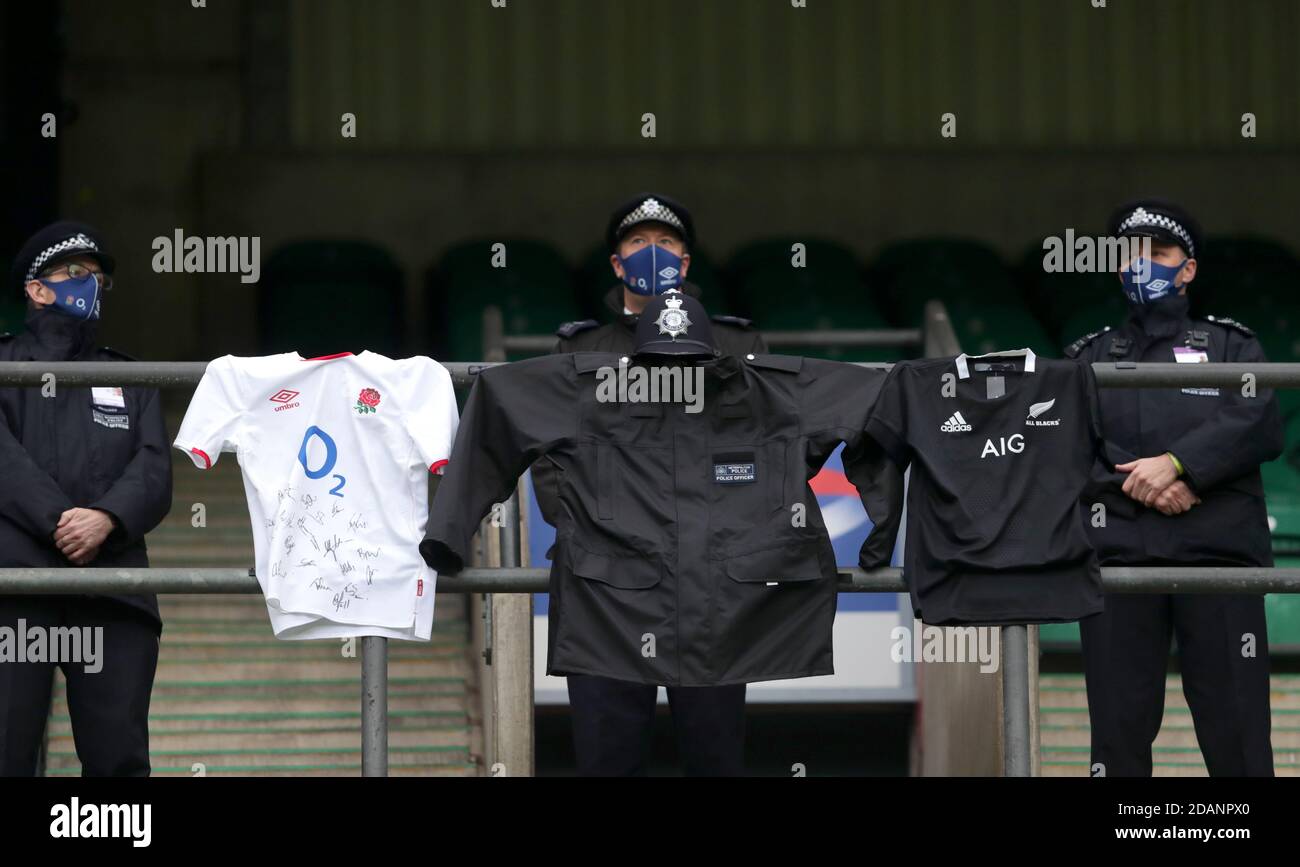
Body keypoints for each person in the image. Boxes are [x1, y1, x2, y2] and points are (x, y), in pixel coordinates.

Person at [540, 194, 764, 776]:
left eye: (666, 244)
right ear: (617, 265)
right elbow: (547, 454)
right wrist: (581, 522)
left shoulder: (736, 345)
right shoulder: (579, 349)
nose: (653, 254)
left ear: (686, 264)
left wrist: (736, 528)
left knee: (716, 755)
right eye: (638, 243)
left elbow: (771, 444)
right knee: (606, 757)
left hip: (709, 581)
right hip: (605, 588)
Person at [1065, 199, 1282, 776]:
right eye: (1130, 254)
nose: (1143, 265)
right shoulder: (1088, 355)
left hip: (1219, 565)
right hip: (1120, 568)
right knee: (1117, 733)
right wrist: (1151, 483)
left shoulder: (1232, 346)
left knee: (1237, 732)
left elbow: (1258, 420)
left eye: (1158, 253)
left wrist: (1180, 464)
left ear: (1187, 269)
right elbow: (1065, 445)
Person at [0, 222, 172, 776]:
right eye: (76, 273)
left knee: (118, 757)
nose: (91, 285)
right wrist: (60, 522)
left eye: (98, 277)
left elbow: (153, 467)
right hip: (15, 588)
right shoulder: (4, 368)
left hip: (112, 587)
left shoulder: (129, 375)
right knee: (7, 747)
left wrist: (105, 519)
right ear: (37, 289)